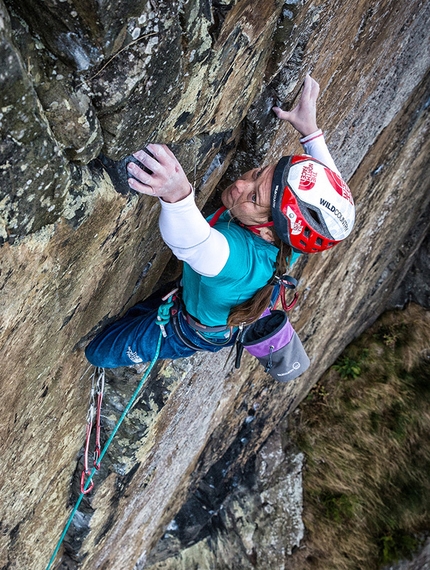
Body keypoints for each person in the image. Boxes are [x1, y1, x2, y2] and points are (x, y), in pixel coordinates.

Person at [85, 75, 355, 369]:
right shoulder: (291, 231)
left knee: (99, 352)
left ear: (267, 229)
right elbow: (336, 211)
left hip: (189, 330)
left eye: (253, 198)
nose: (241, 184)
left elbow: (195, 245)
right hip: (205, 294)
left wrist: (177, 195)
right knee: (145, 310)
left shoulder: (239, 261)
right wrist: (310, 134)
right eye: (257, 173)